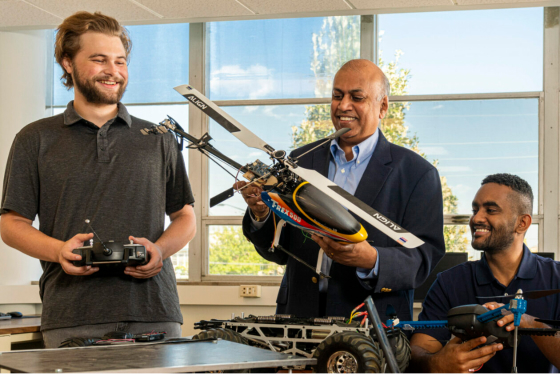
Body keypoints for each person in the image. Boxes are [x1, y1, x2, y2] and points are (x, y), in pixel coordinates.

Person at [0, 11, 196, 348]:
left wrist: (160, 251)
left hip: (154, 310)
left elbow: (185, 216)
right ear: (67, 63)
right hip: (71, 315)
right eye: (99, 59)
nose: (114, 71)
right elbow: (11, 223)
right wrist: (60, 250)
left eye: (120, 61)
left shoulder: (157, 137)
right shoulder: (34, 139)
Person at [236, 59, 445, 321]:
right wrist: (261, 214)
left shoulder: (417, 174)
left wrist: (371, 258)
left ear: (382, 107)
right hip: (298, 318)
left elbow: (424, 258)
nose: (343, 105)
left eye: (357, 97)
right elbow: (276, 251)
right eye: (337, 95)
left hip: (373, 326)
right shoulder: (300, 160)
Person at [410, 173, 560, 373]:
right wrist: (436, 363)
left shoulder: (556, 278)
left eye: (490, 210)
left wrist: (529, 323)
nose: (476, 218)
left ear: (522, 223)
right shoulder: (449, 282)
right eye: (475, 210)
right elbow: (420, 349)